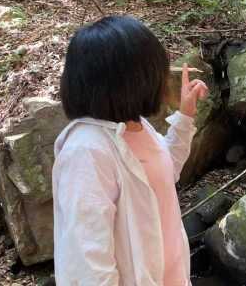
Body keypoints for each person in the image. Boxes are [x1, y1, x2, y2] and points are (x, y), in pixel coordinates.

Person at [52, 15, 209, 285]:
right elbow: (87, 265)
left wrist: (185, 116)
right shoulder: (86, 151)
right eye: (155, 70)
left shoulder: (135, 126)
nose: (161, 78)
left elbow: (164, 172)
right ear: (128, 79)